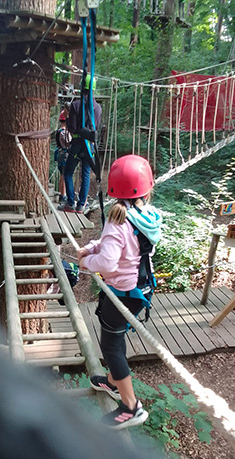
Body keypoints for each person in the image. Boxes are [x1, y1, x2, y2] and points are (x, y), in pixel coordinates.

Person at [77, 154, 162, 430]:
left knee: (111, 346)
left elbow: (107, 262)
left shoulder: (117, 218)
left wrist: (86, 262)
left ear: (113, 187)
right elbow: (119, 245)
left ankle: (130, 406)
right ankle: (114, 382)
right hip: (140, 288)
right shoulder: (146, 215)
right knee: (116, 337)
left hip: (122, 293)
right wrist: (92, 247)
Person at [59, 74, 102, 214]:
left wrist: (69, 120)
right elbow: (96, 127)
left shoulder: (76, 105)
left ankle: (71, 202)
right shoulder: (98, 108)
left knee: (68, 172)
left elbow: (72, 128)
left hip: (77, 144)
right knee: (86, 174)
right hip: (89, 146)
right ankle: (81, 204)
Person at [54, 109, 72, 204]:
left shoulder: (59, 131)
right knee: (65, 176)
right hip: (65, 155)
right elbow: (69, 143)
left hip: (61, 154)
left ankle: (62, 195)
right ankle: (63, 195)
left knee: (62, 175)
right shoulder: (64, 132)